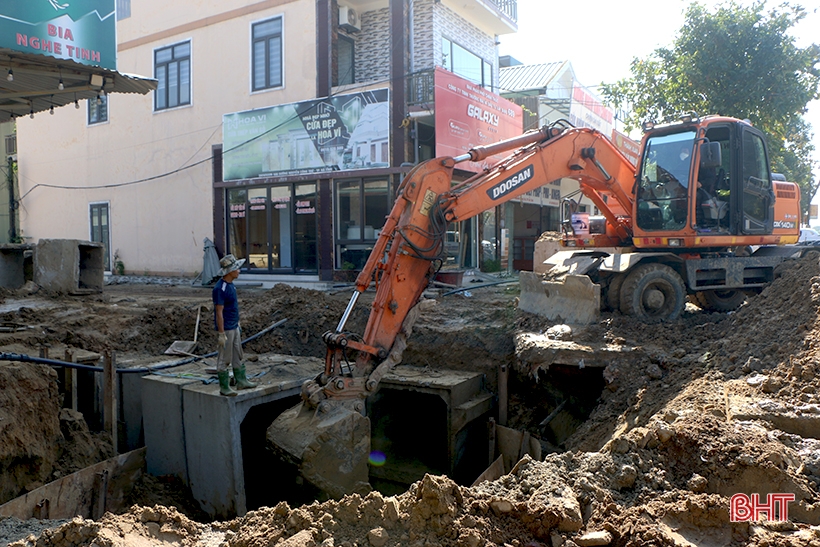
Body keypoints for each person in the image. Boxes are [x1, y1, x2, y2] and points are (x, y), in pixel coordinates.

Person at [213, 254, 256, 396]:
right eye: (237, 269)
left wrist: (237, 324)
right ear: (229, 271)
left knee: (238, 354)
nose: (239, 271)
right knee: (224, 358)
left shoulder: (231, 286)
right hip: (226, 329)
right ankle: (224, 387)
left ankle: (241, 381)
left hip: (234, 326)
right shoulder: (220, 289)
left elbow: (233, 308)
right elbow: (219, 312)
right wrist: (221, 333)